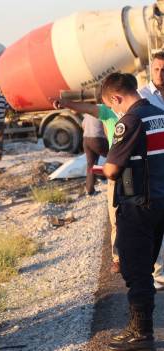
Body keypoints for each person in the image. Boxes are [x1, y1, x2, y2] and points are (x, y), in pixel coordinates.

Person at [101, 73, 164, 351]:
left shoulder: (129, 121)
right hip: (160, 201)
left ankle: (141, 333)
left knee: (135, 270)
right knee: (145, 268)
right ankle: (139, 328)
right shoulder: (159, 115)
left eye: (112, 106)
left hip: (138, 204)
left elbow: (113, 169)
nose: (115, 111)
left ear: (116, 98)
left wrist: (104, 168)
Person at [52, 98, 120, 273]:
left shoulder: (92, 113)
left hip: (86, 139)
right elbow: (106, 131)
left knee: (91, 166)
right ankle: (106, 175)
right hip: (97, 139)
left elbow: (82, 124)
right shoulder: (106, 111)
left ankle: (89, 189)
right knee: (113, 157)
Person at [140, 52, 164, 290]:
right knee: (155, 223)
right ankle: (154, 272)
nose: (160, 74)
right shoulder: (142, 97)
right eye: (157, 69)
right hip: (153, 167)